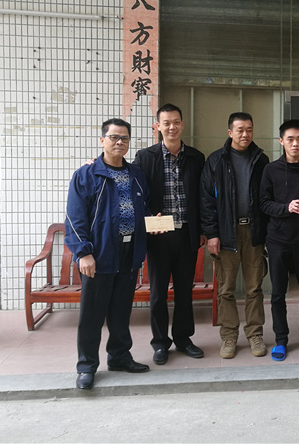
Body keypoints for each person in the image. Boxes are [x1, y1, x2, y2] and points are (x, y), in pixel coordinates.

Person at [65, 118, 151, 390]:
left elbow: (143, 209)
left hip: (129, 252)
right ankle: (86, 366)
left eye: (124, 138)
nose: (119, 142)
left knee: (120, 311)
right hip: (99, 254)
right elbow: (75, 218)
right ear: (102, 140)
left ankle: (119, 357)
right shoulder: (86, 175)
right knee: (92, 314)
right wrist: (83, 253)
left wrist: (154, 222)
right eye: (114, 137)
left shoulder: (136, 175)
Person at [133, 103, 206, 365]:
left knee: (185, 291)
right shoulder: (145, 157)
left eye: (176, 122)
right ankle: (160, 343)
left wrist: (203, 230)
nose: (171, 127)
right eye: (166, 123)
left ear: (182, 124)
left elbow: (203, 197)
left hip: (187, 234)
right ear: (158, 126)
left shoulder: (196, 157)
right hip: (158, 236)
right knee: (158, 293)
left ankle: (184, 339)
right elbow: (133, 191)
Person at [200, 112, 269, 359]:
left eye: (249, 129)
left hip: (253, 231)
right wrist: (212, 234)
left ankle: (255, 334)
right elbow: (206, 200)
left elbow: (266, 197)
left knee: (254, 288)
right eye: (240, 130)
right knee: (226, 289)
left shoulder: (261, 160)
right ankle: (229, 336)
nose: (245, 134)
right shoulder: (216, 160)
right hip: (226, 232)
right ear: (230, 132)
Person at [260, 121, 299, 362]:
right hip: (278, 239)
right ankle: (281, 340)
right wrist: (285, 208)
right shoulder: (271, 169)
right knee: (278, 293)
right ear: (281, 141)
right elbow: (263, 203)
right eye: (290, 139)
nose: (295, 143)